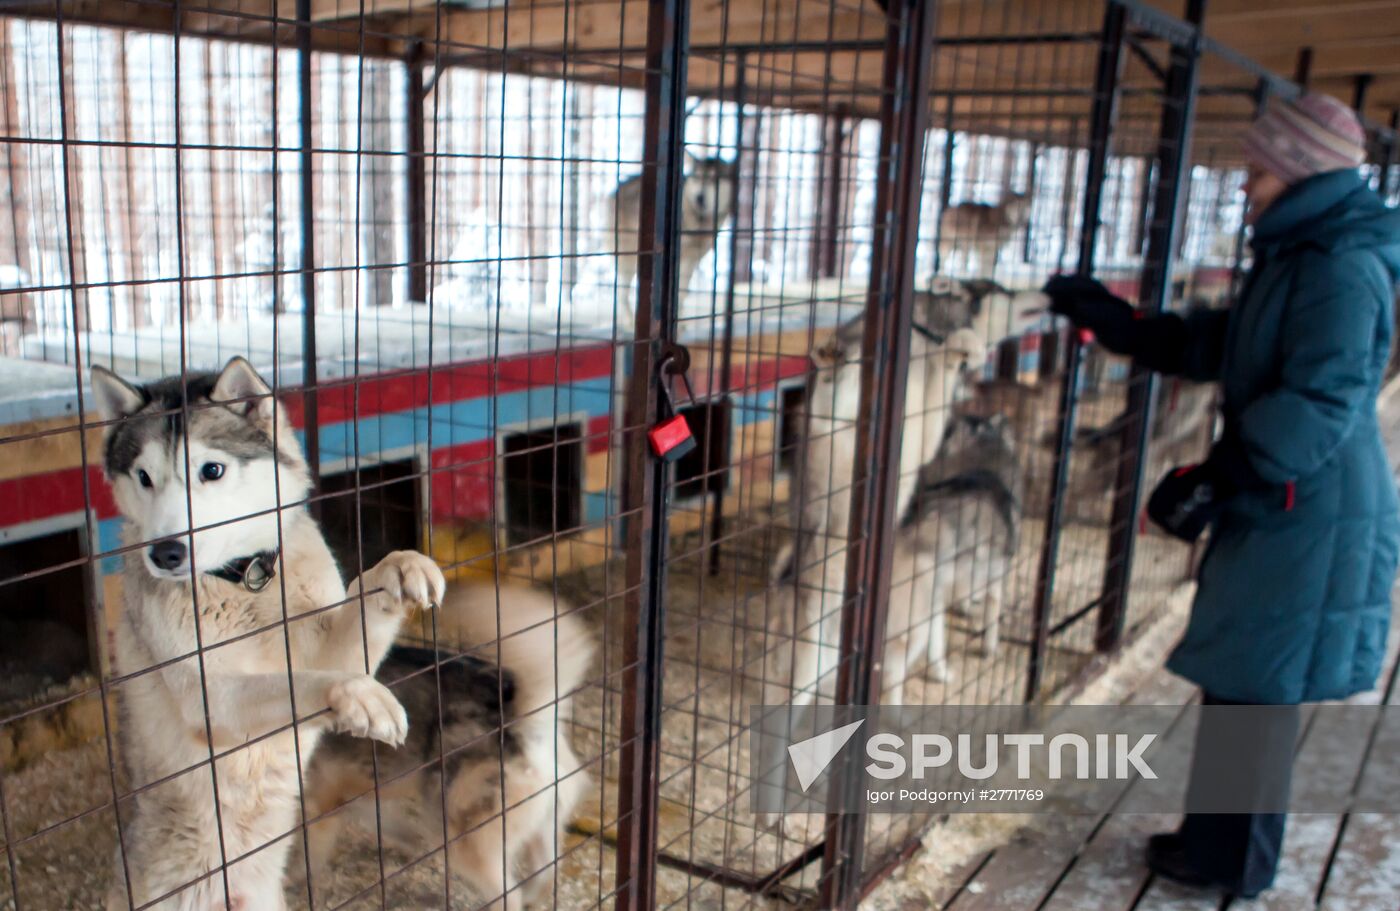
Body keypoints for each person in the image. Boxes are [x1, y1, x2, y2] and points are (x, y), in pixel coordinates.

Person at [1043, 92, 1400, 898]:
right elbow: (1229, 342)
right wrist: (1126, 326)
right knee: (1244, 673)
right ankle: (1212, 838)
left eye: (1256, 169)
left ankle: (1232, 863)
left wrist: (1217, 474)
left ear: (1297, 169)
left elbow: (1324, 398)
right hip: (1288, 494)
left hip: (1309, 503)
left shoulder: (1338, 263)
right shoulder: (1307, 249)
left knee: (1261, 683)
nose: (1245, 185)